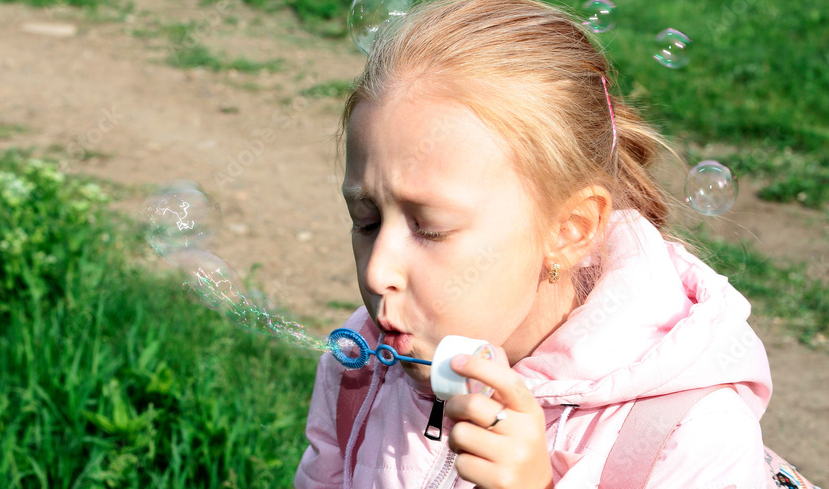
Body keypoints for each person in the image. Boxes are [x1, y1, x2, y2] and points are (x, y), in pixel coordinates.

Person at [293, 0, 773, 487]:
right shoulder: (358, 372)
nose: (378, 272)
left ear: (569, 230)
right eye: (366, 220)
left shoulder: (684, 435)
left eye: (430, 228)